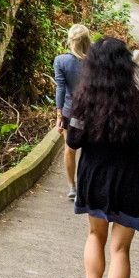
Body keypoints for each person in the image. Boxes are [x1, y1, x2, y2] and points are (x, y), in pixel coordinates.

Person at [67, 37, 139, 278]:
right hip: (130, 180)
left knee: (95, 236)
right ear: (125, 65)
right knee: (121, 249)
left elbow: (73, 142)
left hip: (94, 179)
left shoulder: (84, 99)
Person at [54, 24, 91, 200]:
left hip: (70, 112)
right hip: (93, 112)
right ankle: (85, 187)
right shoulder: (95, 60)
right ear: (88, 40)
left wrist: (59, 115)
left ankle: (72, 188)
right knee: (90, 150)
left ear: (70, 40)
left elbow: (60, 89)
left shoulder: (61, 61)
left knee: (70, 149)